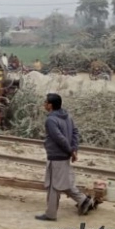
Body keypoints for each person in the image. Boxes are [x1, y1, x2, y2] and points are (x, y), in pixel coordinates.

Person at [35, 93, 93, 221]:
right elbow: (75, 133)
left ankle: (51, 214)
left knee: (53, 185)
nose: (44, 104)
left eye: (46, 102)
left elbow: (59, 138)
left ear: (50, 105)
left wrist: (72, 151)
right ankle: (83, 200)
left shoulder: (51, 120)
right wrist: (73, 149)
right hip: (64, 156)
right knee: (63, 182)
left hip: (56, 156)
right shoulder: (67, 117)